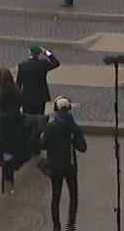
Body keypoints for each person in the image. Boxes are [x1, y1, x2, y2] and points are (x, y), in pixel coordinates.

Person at [40, 97, 87, 231]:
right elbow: (83, 148)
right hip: (70, 166)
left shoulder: (50, 127)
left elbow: (42, 146)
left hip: (55, 166)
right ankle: (71, 225)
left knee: (56, 198)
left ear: (56, 110)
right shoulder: (74, 127)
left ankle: (56, 226)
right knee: (73, 196)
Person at [17, 44, 61, 115]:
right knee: (40, 117)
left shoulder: (23, 66)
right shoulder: (43, 64)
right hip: (40, 96)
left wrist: (18, 98)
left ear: (29, 52)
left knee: (27, 118)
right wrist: (46, 52)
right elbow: (56, 63)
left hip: (27, 97)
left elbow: (18, 83)